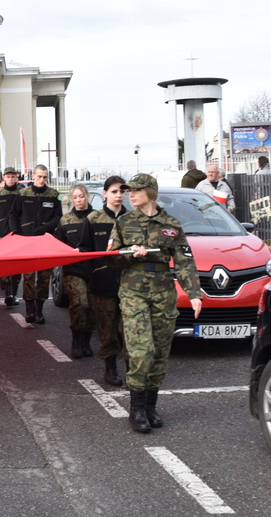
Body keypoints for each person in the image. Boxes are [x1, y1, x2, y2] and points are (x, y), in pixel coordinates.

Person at [106, 173, 202, 434]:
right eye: (128, 191)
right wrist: (128, 253)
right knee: (140, 350)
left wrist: (194, 293)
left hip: (163, 292)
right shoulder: (124, 222)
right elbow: (111, 258)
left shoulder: (171, 224)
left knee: (160, 350)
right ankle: (136, 408)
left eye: (136, 190)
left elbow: (184, 261)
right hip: (133, 291)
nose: (130, 194)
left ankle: (150, 405)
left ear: (150, 192)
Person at [81, 176, 128, 386]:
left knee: (129, 331)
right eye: (115, 191)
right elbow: (84, 250)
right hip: (103, 285)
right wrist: (94, 273)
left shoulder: (132, 219)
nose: (119, 195)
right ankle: (110, 370)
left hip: (129, 286)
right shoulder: (93, 219)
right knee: (107, 331)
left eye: (122, 192)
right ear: (106, 193)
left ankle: (132, 372)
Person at [9, 164, 63, 324]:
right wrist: (16, 233)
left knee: (44, 277)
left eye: (45, 177)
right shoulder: (23, 194)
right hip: (27, 241)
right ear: (33, 176)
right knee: (29, 277)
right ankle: (29, 310)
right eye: (39, 176)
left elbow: (58, 217)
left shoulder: (54, 195)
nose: (42, 180)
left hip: (45, 240)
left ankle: (39, 311)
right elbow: (13, 214)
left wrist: (44, 229)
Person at [54, 185, 94, 358]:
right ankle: (76, 340)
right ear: (71, 199)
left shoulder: (97, 217)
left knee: (92, 307)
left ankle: (86, 341)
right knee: (80, 303)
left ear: (87, 197)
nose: (78, 200)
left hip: (95, 269)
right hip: (74, 269)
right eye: (75, 197)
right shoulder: (66, 220)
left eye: (81, 196)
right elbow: (57, 245)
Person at [0, 167, 23, 305]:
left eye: (13, 177)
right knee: (6, 264)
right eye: (8, 177)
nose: (11, 179)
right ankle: (9, 293)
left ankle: (14, 292)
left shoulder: (22, 192)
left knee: (18, 266)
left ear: (16, 178)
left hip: (18, 233)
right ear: (4, 178)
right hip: (1, 232)